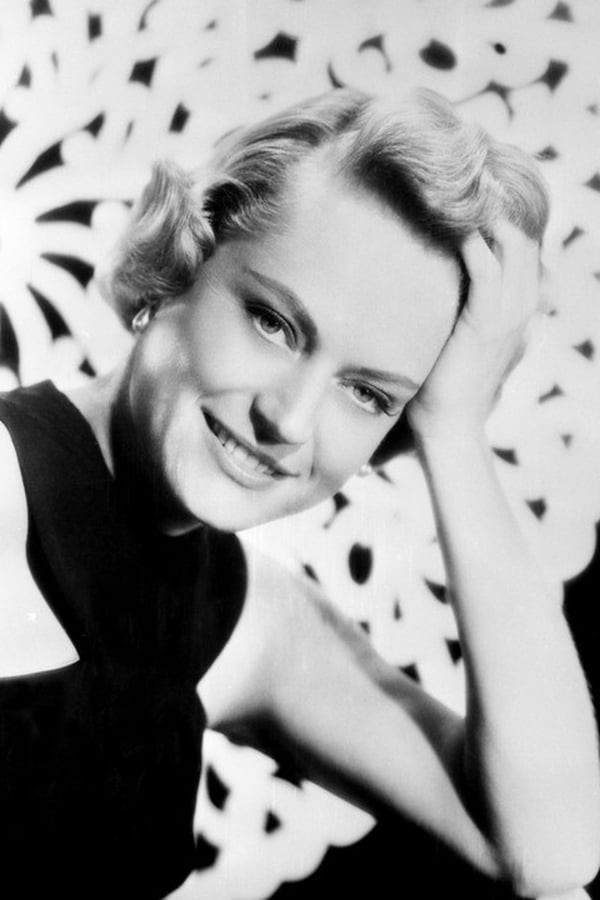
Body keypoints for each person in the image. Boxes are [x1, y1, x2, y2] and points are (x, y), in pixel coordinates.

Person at [0, 87, 598, 899]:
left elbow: (547, 854)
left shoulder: (246, 620)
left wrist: (454, 428)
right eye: (273, 322)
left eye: (368, 394)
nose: (289, 419)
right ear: (186, 260)